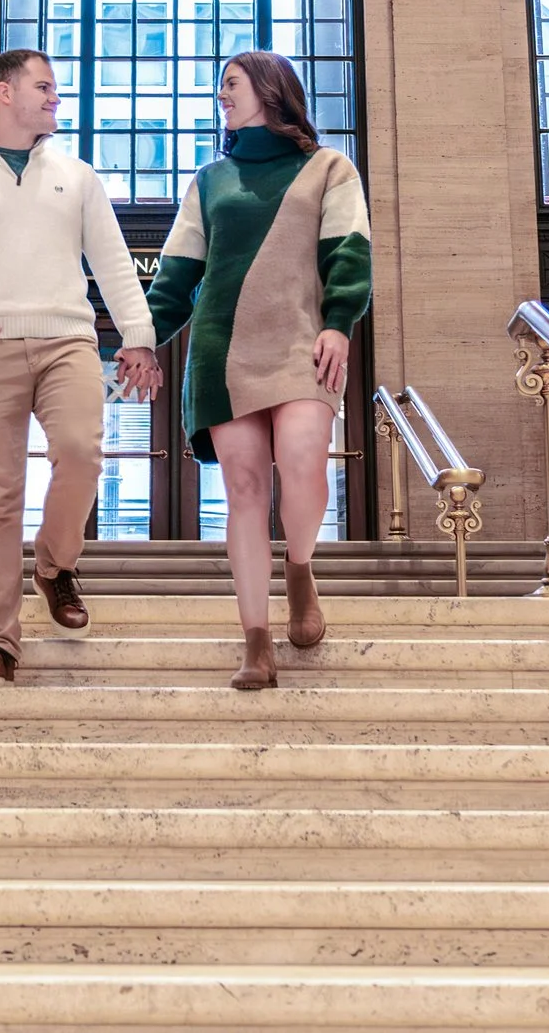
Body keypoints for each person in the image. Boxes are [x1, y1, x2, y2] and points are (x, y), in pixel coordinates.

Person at [0, 48, 162, 687]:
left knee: (79, 452)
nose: (55, 98)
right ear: (4, 92)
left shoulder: (77, 174)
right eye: (44, 87)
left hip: (67, 339)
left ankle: (54, 565)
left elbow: (113, 261)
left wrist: (140, 338)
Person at [144, 51, 372, 690]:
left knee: (302, 461)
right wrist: (140, 341)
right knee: (244, 491)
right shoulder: (210, 180)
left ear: (271, 92)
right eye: (220, 89)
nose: (222, 97)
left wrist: (339, 322)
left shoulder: (329, 168)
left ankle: (300, 570)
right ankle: (256, 642)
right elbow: (178, 274)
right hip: (223, 350)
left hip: (305, 341)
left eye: (231, 86)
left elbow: (349, 253)